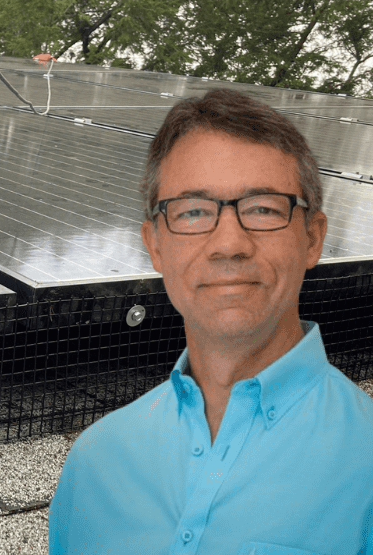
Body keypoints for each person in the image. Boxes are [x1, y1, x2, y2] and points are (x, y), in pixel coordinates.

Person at [48, 88, 373, 554]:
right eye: (193, 211)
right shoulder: (95, 462)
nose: (228, 244)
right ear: (155, 244)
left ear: (313, 238)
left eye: (263, 208)